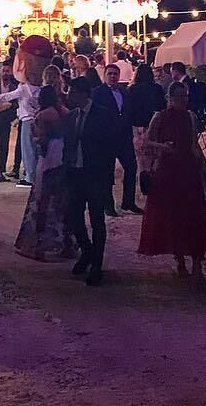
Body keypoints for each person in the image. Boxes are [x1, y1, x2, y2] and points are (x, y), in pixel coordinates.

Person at [138, 81, 206, 281]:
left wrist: (203, 169)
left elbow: (194, 145)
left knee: (194, 213)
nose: (183, 101)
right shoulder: (159, 117)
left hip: (187, 170)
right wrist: (162, 147)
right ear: (170, 98)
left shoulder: (191, 117)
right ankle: (180, 260)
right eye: (179, 97)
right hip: (167, 171)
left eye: (185, 97)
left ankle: (196, 261)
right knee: (173, 215)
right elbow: (147, 142)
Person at [62, 76, 117, 286]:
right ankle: (88, 252)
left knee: (96, 220)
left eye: (72, 92)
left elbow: (110, 145)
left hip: (95, 175)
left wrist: (106, 176)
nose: (69, 96)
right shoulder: (72, 116)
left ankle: (97, 264)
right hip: (76, 173)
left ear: (83, 93)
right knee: (74, 217)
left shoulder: (102, 115)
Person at [14, 85, 76, 261]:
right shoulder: (64, 111)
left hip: (48, 157)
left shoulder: (42, 115)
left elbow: (41, 139)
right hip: (62, 157)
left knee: (41, 200)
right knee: (61, 202)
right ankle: (66, 243)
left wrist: (35, 138)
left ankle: (37, 247)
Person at [0, 34, 52, 187]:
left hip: (27, 120)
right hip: (37, 120)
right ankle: (35, 174)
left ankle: (30, 176)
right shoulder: (41, 88)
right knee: (36, 148)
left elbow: (7, 96)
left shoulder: (24, 88)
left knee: (27, 149)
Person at [92, 63, 141, 215]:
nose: (113, 77)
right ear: (105, 75)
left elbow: (129, 112)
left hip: (124, 137)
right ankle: (108, 206)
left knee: (131, 168)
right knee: (107, 172)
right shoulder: (98, 93)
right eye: (110, 74)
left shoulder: (124, 92)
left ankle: (128, 202)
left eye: (115, 74)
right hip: (107, 138)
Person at [127, 62, 167, 174]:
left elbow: (128, 110)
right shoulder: (157, 88)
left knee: (141, 160)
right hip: (154, 126)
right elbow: (162, 108)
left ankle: (144, 183)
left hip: (138, 127)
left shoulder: (132, 89)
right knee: (155, 157)